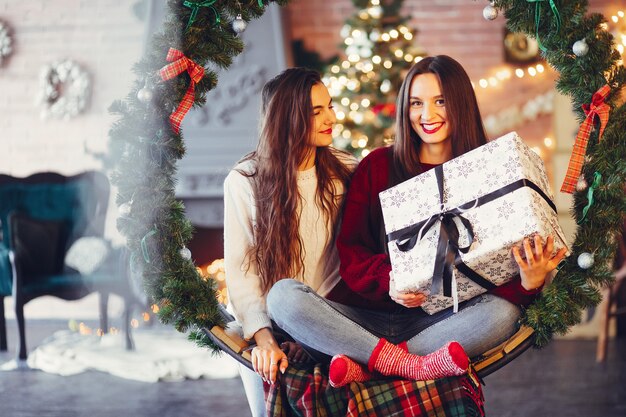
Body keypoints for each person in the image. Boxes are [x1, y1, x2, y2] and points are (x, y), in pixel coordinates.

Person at [266, 55, 568, 387]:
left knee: (504, 315)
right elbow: (352, 255)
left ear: (461, 104)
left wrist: (529, 281)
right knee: (282, 297)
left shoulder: (491, 170)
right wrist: (389, 279)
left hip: (437, 324)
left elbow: (499, 270)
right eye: (416, 103)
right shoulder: (377, 166)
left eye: (441, 101)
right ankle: (408, 364)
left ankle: (369, 363)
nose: (427, 115)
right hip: (364, 320)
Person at [223, 67, 356, 416]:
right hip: (273, 323)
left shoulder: (345, 170)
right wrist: (264, 339)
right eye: (317, 111)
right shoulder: (244, 181)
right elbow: (241, 273)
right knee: (256, 359)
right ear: (288, 118)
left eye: (329, 106)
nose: (331, 117)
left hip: (330, 319)